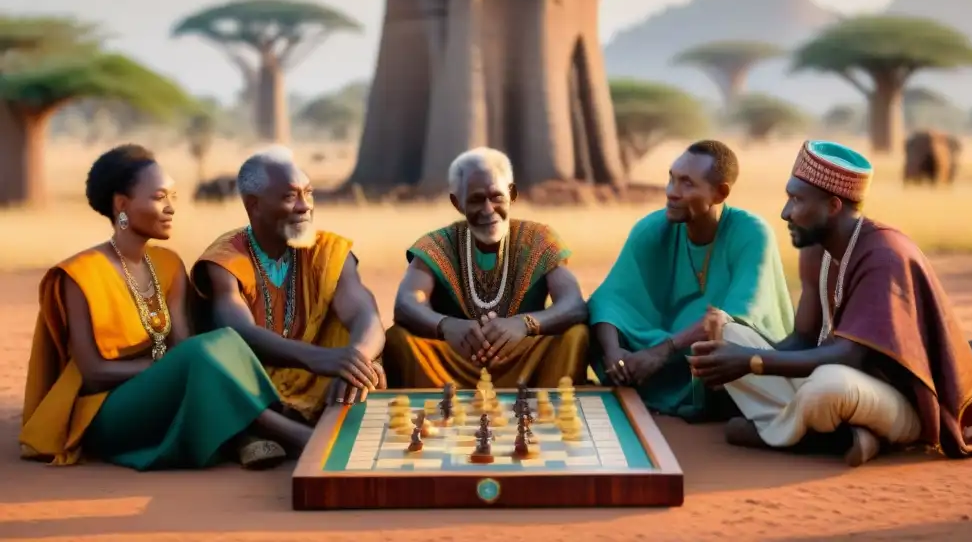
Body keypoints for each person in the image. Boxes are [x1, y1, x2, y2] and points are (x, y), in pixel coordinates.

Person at [688, 140, 972, 465]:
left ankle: (791, 436)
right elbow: (802, 338)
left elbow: (850, 356)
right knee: (727, 335)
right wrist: (732, 354)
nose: (786, 212)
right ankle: (836, 436)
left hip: (897, 401)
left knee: (827, 387)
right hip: (834, 379)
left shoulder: (884, 254)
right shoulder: (816, 250)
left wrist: (752, 362)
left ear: (833, 205)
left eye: (797, 200)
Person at [20, 145, 309, 471]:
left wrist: (182, 368)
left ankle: (252, 431)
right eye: (160, 198)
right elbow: (93, 373)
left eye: (173, 197)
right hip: (109, 412)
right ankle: (293, 435)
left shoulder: (168, 264)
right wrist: (172, 370)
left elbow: (183, 345)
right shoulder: (80, 273)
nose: (171, 208)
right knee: (201, 356)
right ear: (122, 205)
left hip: (167, 397)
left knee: (222, 341)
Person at [189, 145, 387, 439]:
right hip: (255, 381)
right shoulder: (226, 258)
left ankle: (301, 424)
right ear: (254, 205)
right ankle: (296, 437)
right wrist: (317, 358)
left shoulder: (328, 250)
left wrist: (356, 361)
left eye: (308, 193)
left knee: (363, 346)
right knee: (214, 356)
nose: (304, 206)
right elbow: (240, 330)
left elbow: (364, 314)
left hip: (322, 377)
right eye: (289, 196)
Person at [587, 140, 794, 421]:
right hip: (665, 344)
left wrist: (662, 352)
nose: (672, 192)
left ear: (720, 193)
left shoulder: (752, 233)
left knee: (727, 339)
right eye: (671, 179)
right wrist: (614, 354)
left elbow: (733, 318)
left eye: (687, 184)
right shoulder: (652, 228)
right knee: (595, 324)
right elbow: (610, 298)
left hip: (719, 354)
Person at [382, 147, 590, 388]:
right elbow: (407, 304)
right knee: (398, 339)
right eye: (476, 199)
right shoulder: (436, 245)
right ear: (457, 202)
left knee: (577, 336)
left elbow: (573, 304)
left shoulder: (540, 239)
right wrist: (447, 326)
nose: (488, 210)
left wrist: (524, 324)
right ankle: (430, 415)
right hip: (454, 364)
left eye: (496, 197)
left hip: (523, 359)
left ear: (511, 195)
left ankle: (548, 410)